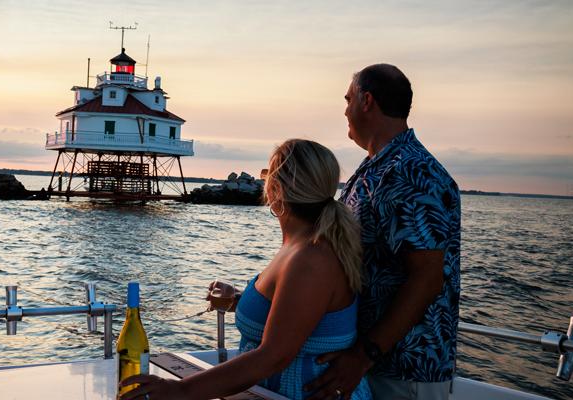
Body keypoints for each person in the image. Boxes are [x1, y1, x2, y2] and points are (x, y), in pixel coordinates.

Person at [120, 139, 372, 400]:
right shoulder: (302, 247)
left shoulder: (311, 259)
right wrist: (238, 301)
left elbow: (273, 357)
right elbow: (295, 316)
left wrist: (180, 391)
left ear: (275, 188)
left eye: (267, 175)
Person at [304, 64, 461, 400]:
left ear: (367, 101)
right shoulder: (376, 168)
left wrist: (362, 357)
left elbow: (426, 278)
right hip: (368, 363)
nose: (344, 110)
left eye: (348, 99)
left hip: (403, 370)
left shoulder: (413, 172)